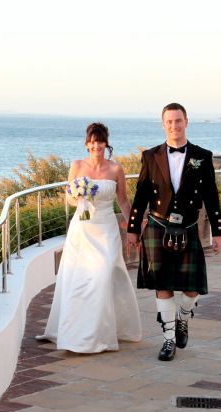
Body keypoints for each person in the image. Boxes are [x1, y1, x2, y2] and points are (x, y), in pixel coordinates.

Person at [126, 103, 221, 361]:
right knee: (163, 285)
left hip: (189, 227)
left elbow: (211, 196)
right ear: (163, 124)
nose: (174, 126)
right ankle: (168, 340)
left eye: (178, 121)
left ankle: (183, 315)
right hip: (158, 226)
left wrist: (219, 231)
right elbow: (141, 196)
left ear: (186, 122)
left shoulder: (202, 156)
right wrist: (133, 229)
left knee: (192, 287)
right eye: (169, 122)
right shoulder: (151, 156)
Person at [39, 122, 142, 353]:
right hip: (82, 230)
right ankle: (77, 335)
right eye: (93, 141)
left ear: (106, 143)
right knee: (81, 280)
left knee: (103, 276)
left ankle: (100, 334)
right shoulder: (77, 165)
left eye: (101, 141)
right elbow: (68, 198)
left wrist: (133, 228)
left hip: (106, 229)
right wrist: (77, 195)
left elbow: (123, 201)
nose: (97, 145)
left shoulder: (116, 169)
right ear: (87, 144)